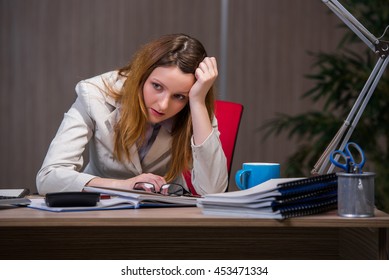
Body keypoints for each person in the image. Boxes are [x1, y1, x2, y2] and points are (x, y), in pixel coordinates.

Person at [36, 33, 228, 196]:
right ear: (142, 75)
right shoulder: (94, 94)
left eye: (179, 96)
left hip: (167, 215)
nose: (162, 105)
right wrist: (123, 185)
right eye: (157, 86)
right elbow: (48, 178)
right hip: (99, 210)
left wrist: (196, 101)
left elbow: (214, 191)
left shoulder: (195, 105)